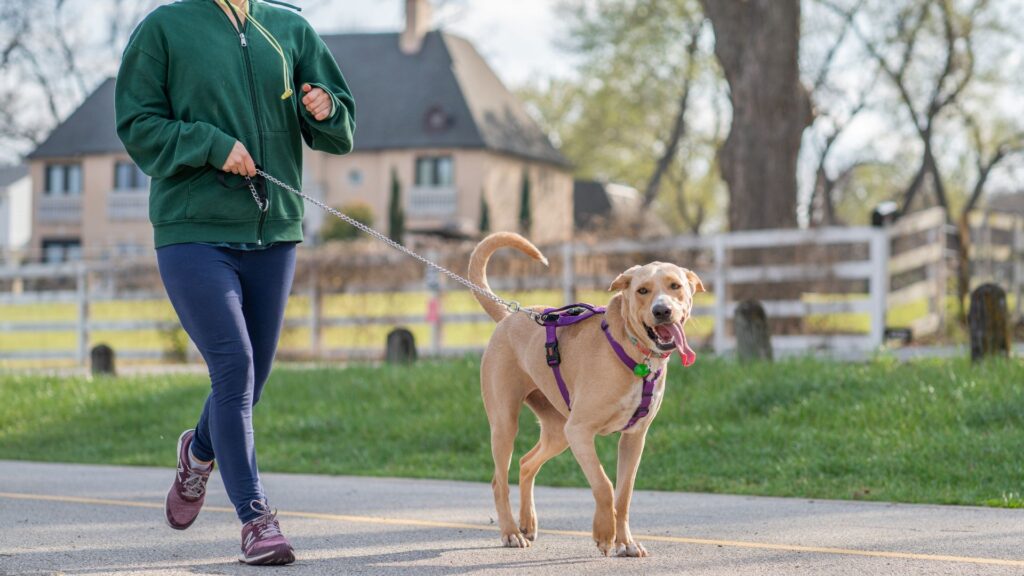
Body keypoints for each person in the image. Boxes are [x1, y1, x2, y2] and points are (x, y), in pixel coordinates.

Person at [115, 0, 355, 565]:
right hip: (192, 230)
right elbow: (137, 124)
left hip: (275, 231)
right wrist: (210, 144)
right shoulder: (163, 28)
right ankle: (256, 519)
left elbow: (342, 129)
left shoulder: (290, 28)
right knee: (234, 365)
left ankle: (198, 452)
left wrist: (323, 108)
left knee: (254, 376)